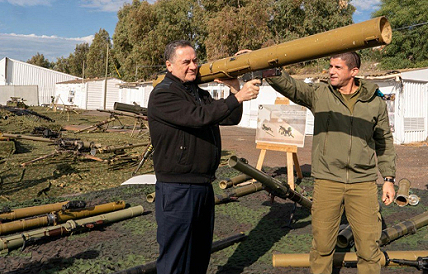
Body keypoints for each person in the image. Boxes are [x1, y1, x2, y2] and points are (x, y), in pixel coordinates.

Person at [266, 51, 396, 274]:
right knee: (322, 246)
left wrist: (389, 179)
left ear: (354, 72)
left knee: (368, 248)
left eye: (337, 67)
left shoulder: (374, 102)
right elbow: (293, 87)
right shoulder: (321, 94)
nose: (330, 71)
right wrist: (267, 66)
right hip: (327, 181)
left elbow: (383, 141)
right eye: (330, 66)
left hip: (362, 183)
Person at [147, 40, 260, 274]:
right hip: (177, 188)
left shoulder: (197, 93)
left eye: (195, 60)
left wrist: (234, 88)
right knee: (175, 259)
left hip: (202, 186)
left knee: (199, 256)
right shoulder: (164, 94)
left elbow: (229, 118)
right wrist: (237, 98)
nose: (193, 66)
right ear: (169, 65)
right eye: (185, 62)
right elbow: (198, 117)